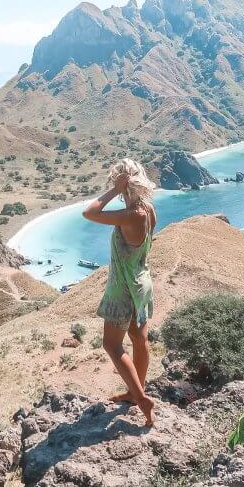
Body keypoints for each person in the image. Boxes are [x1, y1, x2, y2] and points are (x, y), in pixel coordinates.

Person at [82, 158, 157, 427]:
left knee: (111, 345)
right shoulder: (148, 210)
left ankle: (141, 398)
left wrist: (114, 190)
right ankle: (136, 391)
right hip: (142, 281)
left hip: (123, 288)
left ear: (124, 183)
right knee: (139, 339)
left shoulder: (130, 215)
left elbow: (89, 212)